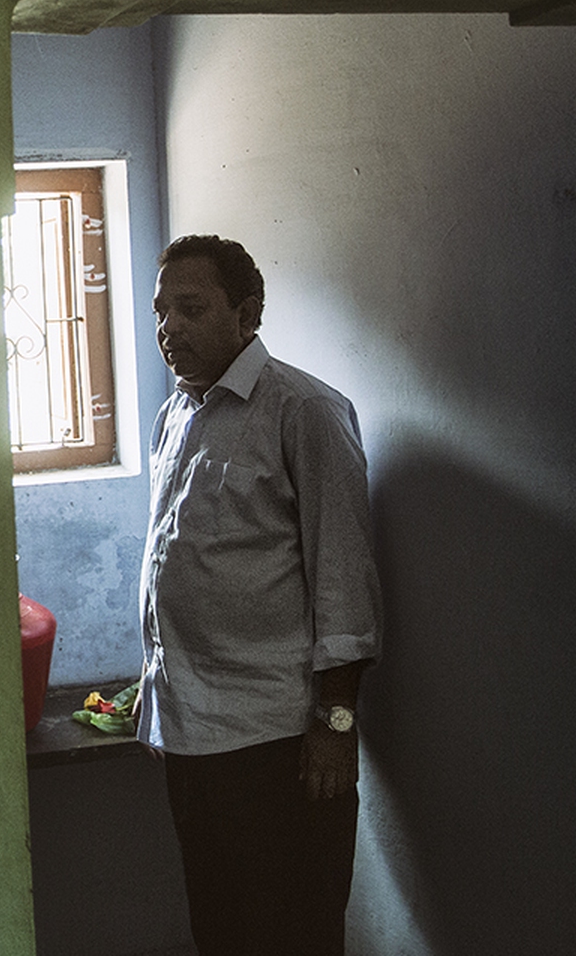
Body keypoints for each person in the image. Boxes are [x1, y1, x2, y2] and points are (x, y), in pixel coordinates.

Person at [140, 235, 382, 956]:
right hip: (191, 734)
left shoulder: (301, 409)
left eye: (191, 308)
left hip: (279, 746)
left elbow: (344, 576)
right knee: (221, 929)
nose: (169, 329)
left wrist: (336, 722)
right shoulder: (179, 414)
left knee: (291, 933)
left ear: (246, 315)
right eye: (161, 311)